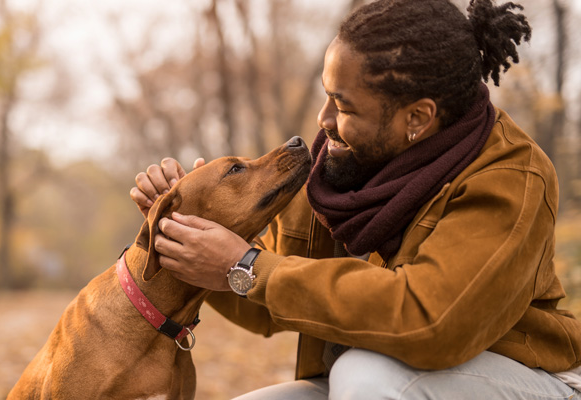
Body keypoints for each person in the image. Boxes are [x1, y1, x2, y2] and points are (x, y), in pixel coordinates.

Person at [130, 0, 581, 398]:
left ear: (417, 117)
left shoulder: (509, 176)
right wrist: (192, 240)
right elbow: (270, 301)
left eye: (343, 107)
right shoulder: (335, 168)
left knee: (368, 378)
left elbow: (431, 321)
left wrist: (243, 265)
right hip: (364, 377)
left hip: (524, 378)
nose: (324, 119)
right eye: (327, 97)